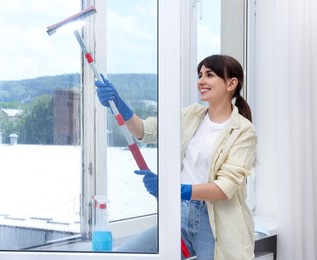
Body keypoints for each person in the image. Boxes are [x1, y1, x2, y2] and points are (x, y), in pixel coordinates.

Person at [95, 54, 257, 260]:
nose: (201, 81)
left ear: (231, 83)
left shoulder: (244, 131)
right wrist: (117, 104)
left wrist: (172, 190)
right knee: (126, 255)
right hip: (180, 215)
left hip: (215, 223)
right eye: (200, 75)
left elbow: (225, 187)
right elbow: (146, 130)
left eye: (209, 75)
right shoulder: (191, 115)